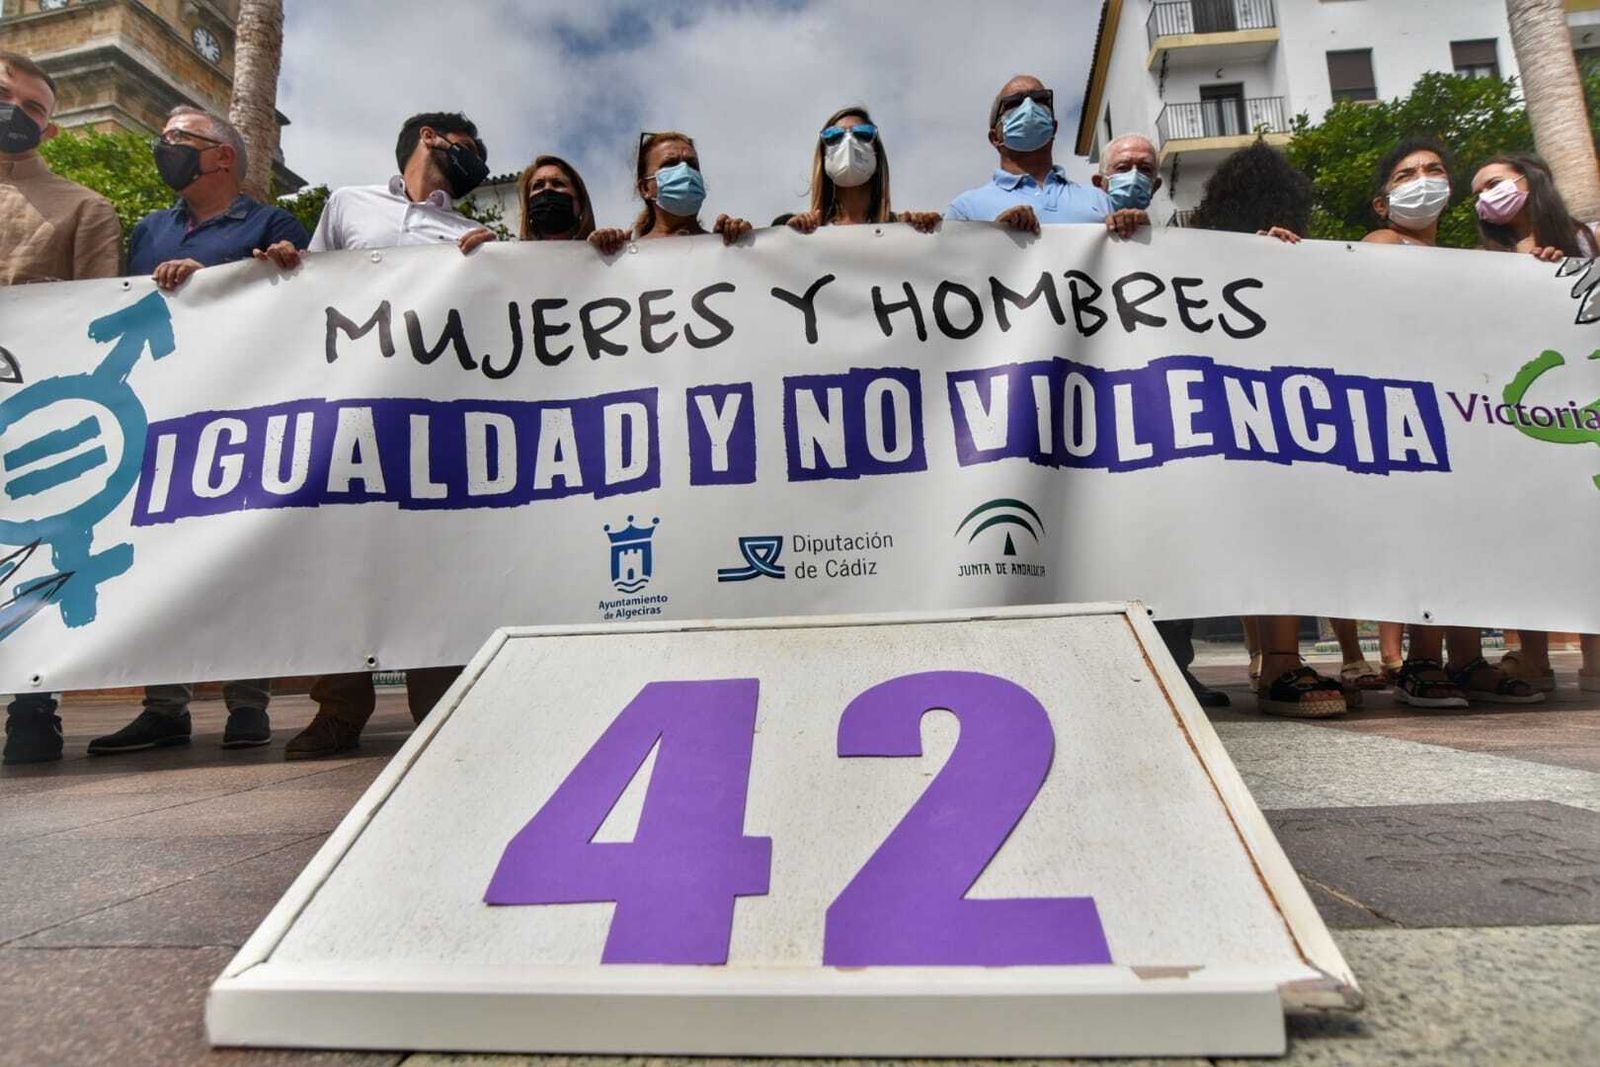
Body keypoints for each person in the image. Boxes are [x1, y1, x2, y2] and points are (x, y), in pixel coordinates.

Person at [264, 111, 497, 760]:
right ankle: (339, 709)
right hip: (353, 406)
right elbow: (309, 292)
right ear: (431, 138)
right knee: (343, 559)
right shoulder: (348, 205)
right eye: (472, 148)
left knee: (431, 561)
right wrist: (288, 264)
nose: (477, 160)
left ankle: (437, 707)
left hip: (437, 411)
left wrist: (492, 264)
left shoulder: (470, 231)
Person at [82, 106, 310, 755]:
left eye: (181, 139)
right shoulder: (150, 231)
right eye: (165, 139)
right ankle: (164, 705)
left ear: (223, 157)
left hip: (244, 411)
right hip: (160, 415)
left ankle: (248, 703)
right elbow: (123, 307)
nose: (166, 148)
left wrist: (268, 269)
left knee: (244, 557)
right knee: (157, 558)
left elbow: (301, 303)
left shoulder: (272, 224)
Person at [1363, 137, 1542, 709]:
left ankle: (1466, 659)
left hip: (1467, 414)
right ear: (1383, 202)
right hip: (1406, 416)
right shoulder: (1379, 243)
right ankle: (1419, 661)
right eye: (1408, 174)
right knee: (1424, 537)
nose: (1425, 179)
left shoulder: (1470, 259)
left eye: (1435, 170)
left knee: (1468, 537)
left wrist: (1535, 272)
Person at [1185, 138, 1352, 717]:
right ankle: (1279, 660)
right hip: (1254, 409)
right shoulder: (1205, 255)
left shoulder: (1289, 254)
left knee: (1269, 530)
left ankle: (1272, 658)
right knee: (1273, 529)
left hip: (1257, 407)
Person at [1, 51, 122, 765]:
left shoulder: (86, 208)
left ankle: (32, 703)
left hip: (31, 417)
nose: (16, 112)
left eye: (34, 107)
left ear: (49, 129)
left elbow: (97, 314)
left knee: (30, 554)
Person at [1471, 152, 1597, 695]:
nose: (1485, 197)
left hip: (1583, 409)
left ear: (1529, 181)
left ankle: (1594, 661)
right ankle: (1534, 657)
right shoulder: (1485, 256)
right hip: (1519, 413)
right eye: (1478, 192)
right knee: (1530, 536)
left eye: (1494, 183)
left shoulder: (1586, 239)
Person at [947, 74, 1145, 238]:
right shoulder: (965, 209)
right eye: (1014, 103)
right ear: (994, 137)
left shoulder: (1102, 201)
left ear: (1054, 127)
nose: (1029, 107)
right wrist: (998, 240)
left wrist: (1140, 228)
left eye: (1040, 99)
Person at [785, 106, 940, 234]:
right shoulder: (804, 230)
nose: (849, 143)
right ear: (823, 155)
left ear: (876, 153)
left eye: (863, 134)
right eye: (834, 136)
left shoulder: (901, 229)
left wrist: (928, 227)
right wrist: (789, 233)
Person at [632, 131, 751, 244]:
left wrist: (743, 243)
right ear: (645, 188)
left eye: (692, 165)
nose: (685, 171)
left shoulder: (725, 245)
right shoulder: (625, 255)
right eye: (670, 164)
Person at [516, 153, 628, 253]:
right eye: (538, 185)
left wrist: (610, 244)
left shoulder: (599, 254)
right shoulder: (515, 260)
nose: (547, 190)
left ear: (579, 203)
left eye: (558, 183)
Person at [1091, 133, 1161, 214]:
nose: (1134, 176)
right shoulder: (1079, 224)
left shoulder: (1169, 227)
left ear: (1155, 187)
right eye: (1122, 168)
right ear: (1099, 182)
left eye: (1145, 169)